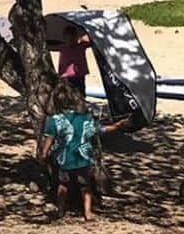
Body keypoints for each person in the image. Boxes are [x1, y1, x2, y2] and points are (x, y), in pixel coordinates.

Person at [38, 81, 131, 221]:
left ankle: (61, 210)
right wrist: (118, 125)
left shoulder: (54, 120)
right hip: (83, 159)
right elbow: (101, 130)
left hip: (64, 159)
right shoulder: (85, 118)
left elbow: (49, 140)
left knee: (63, 185)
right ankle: (88, 212)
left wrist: (44, 154)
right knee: (85, 186)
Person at [50, 23, 91, 95]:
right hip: (65, 77)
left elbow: (90, 39)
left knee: (80, 94)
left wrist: (82, 36)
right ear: (64, 39)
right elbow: (50, 46)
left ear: (77, 38)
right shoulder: (62, 47)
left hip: (79, 77)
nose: (71, 41)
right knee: (67, 95)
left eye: (73, 38)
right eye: (68, 38)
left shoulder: (81, 46)